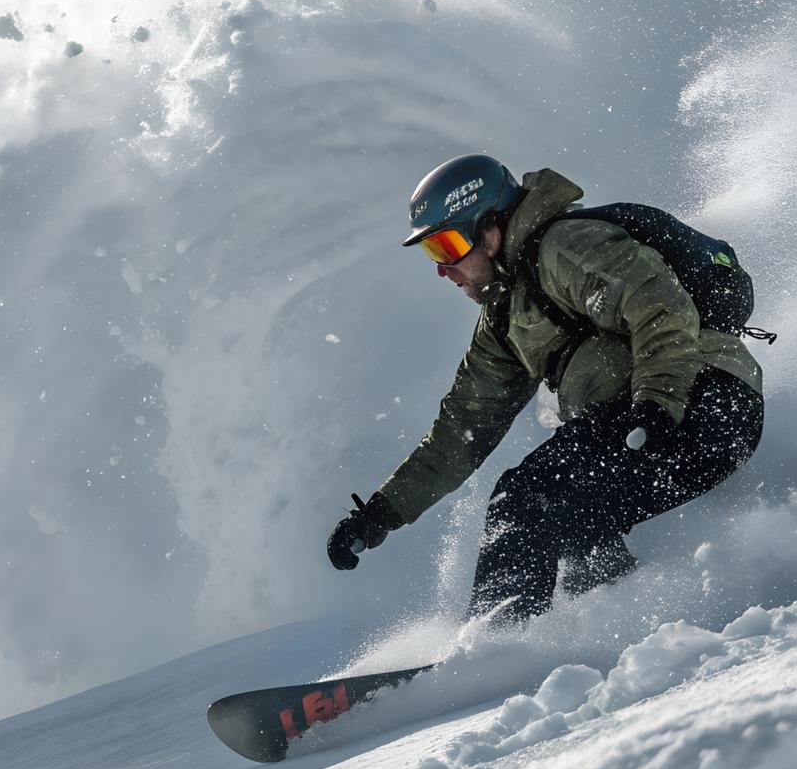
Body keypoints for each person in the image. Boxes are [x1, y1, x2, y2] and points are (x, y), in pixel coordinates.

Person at [327, 155, 765, 623]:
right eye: (432, 252)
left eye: (449, 245)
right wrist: (381, 513)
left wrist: (657, 403)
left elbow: (660, 306)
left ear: (491, 229)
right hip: (647, 424)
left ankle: (496, 641)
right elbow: (462, 429)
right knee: (577, 537)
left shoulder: (565, 247)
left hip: (702, 405)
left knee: (527, 496)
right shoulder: (504, 319)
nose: (443, 269)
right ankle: (613, 630)